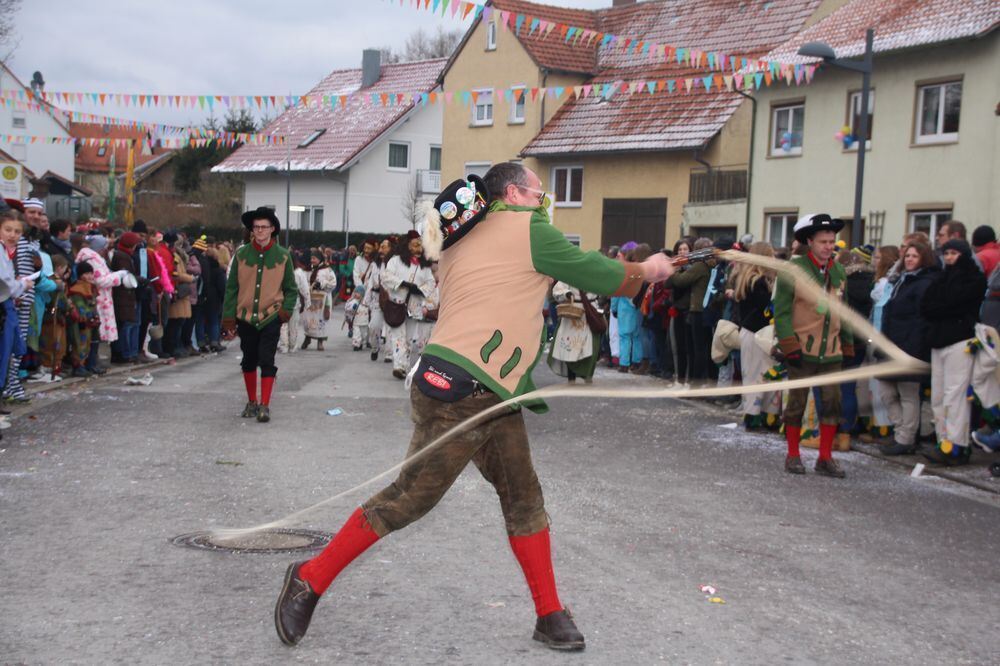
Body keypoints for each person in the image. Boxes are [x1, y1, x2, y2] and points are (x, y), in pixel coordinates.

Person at [273, 163, 676, 651]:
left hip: (490, 392)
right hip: (461, 389)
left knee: (524, 497)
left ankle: (549, 613)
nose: (543, 202)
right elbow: (597, 270)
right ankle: (309, 578)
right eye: (539, 194)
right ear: (514, 193)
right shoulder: (528, 228)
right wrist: (648, 270)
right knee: (408, 499)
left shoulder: (464, 235)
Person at [773, 214, 854, 477]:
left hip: (831, 351)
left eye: (832, 241)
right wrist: (788, 345)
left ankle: (825, 458)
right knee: (796, 403)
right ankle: (793, 455)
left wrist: (848, 344)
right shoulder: (793, 271)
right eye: (823, 241)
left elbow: (843, 311)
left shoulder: (839, 271)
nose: (829, 246)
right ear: (810, 241)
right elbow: (782, 313)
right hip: (802, 349)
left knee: (832, 403)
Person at [221, 207, 298, 424]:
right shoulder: (242, 254)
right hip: (245, 316)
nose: (260, 231)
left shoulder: (283, 256)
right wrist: (228, 317)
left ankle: (265, 404)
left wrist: (286, 311)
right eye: (256, 227)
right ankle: (251, 401)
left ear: (272, 229)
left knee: (267, 359)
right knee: (248, 359)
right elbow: (232, 288)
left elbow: (291, 289)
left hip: (271, 315)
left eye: (264, 227)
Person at [920, 239, 987, 465]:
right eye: (946, 253)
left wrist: (943, 307)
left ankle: (957, 445)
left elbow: (957, 301)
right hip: (939, 340)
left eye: (954, 253)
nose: (949, 257)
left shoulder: (974, 278)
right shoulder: (941, 277)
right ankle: (943, 441)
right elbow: (927, 305)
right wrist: (944, 307)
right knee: (938, 395)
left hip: (961, 340)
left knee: (955, 396)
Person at [876, 241, 937, 455]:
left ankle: (905, 437)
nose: (909, 259)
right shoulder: (901, 280)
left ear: (923, 259)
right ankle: (901, 430)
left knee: (908, 393)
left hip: (910, 346)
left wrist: (913, 348)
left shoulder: (924, 282)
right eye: (907, 256)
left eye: (914, 256)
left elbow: (921, 319)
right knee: (886, 391)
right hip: (892, 343)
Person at [733, 242, 779, 430]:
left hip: (751, 332)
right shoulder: (758, 281)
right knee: (759, 375)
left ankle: (756, 414)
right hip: (758, 333)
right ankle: (755, 417)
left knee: (754, 375)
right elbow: (766, 306)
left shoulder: (745, 277)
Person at [379, 231, 434, 379]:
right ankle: (398, 366)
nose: (418, 247)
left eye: (420, 244)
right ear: (407, 245)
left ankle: (405, 366)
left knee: (409, 339)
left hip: (414, 307)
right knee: (398, 337)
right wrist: (402, 284)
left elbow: (430, 283)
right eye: (415, 244)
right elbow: (386, 277)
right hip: (397, 305)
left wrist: (420, 290)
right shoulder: (396, 261)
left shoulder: (424, 266)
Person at [666, 237, 713, 384]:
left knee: (695, 349)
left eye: (686, 249)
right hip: (694, 309)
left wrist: (674, 271)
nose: (683, 252)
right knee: (691, 348)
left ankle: (695, 382)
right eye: (680, 249)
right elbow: (669, 284)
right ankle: (690, 380)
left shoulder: (699, 266)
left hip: (695, 309)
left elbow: (681, 281)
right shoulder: (705, 265)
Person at [0, 207, 34, 401]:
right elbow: (6, 285)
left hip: (6, 310)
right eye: (8, 230)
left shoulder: (7, 251)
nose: (12, 235)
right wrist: (23, 284)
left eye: (17, 231)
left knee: (6, 356)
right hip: (3, 310)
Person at [547, 280, 600, 383]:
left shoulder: (595, 271)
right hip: (572, 312)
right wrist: (567, 293)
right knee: (569, 347)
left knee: (589, 346)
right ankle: (571, 377)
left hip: (590, 314)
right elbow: (557, 290)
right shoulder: (570, 273)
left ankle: (587, 375)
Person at [110, 232, 141, 364]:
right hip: (123, 296)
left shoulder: (123, 255)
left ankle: (124, 353)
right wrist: (140, 280)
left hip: (123, 296)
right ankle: (123, 353)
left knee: (124, 325)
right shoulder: (123, 257)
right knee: (124, 325)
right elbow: (126, 276)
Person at [300, 252, 337, 352]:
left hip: (323, 299)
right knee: (308, 319)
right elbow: (303, 282)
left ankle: (320, 342)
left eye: (314, 258)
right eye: (311, 258)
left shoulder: (327, 270)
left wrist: (321, 284)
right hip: (310, 299)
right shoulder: (307, 269)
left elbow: (333, 283)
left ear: (320, 259)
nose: (312, 260)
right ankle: (307, 338)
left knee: (321, 319)